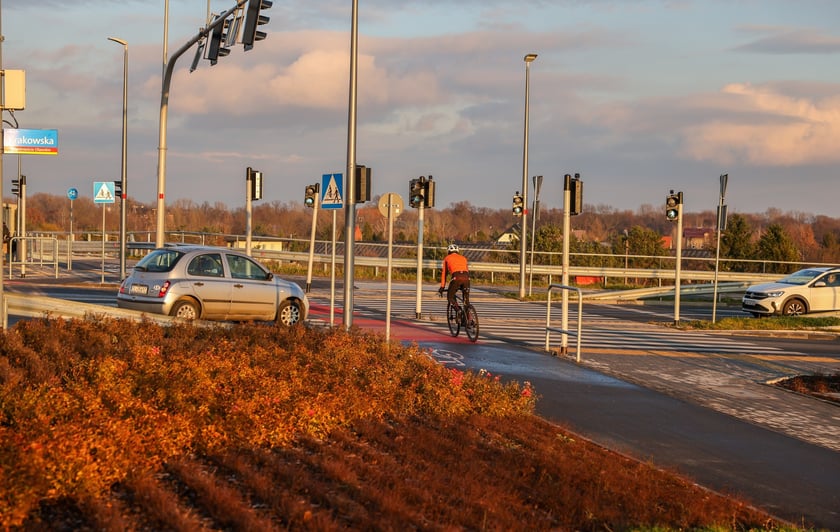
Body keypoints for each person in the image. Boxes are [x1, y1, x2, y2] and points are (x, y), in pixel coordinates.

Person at [439, 243, 470, 308]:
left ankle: (457, 309)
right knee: (466, 300)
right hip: (466, 277)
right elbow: (467, 270)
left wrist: (442, 287)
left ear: (448, 251)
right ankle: (469, 316)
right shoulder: (463, 258)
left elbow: (444, 274)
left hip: (456, 277)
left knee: (450, 297)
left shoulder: (447, 258)